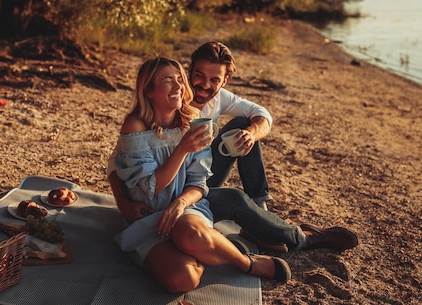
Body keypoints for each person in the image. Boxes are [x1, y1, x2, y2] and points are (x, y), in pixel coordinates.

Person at [111, 57, 291, 293]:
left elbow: (199, 183)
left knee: (189, 232)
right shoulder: (135, 126)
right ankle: (212, 247)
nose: (178, 87)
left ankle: (247, 263)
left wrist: (180, 203)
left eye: (179, 80)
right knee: (182, 281)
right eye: (168, 80)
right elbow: (149, 188)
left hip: (187, 209)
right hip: (148, 216)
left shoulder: (195, 121)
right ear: (149, 90)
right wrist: (182, 149)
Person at [189, 41, 273, 209]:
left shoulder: (220, 97)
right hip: (176, 182)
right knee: (235, 199)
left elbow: (262, 114)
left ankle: (259, 202)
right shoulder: (173, 95)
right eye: (199, 75)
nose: (205, 86)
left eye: (214, 80)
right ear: (189, 70)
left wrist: (251, 134)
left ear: (225, 81)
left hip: (205, 174)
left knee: (244, 125)